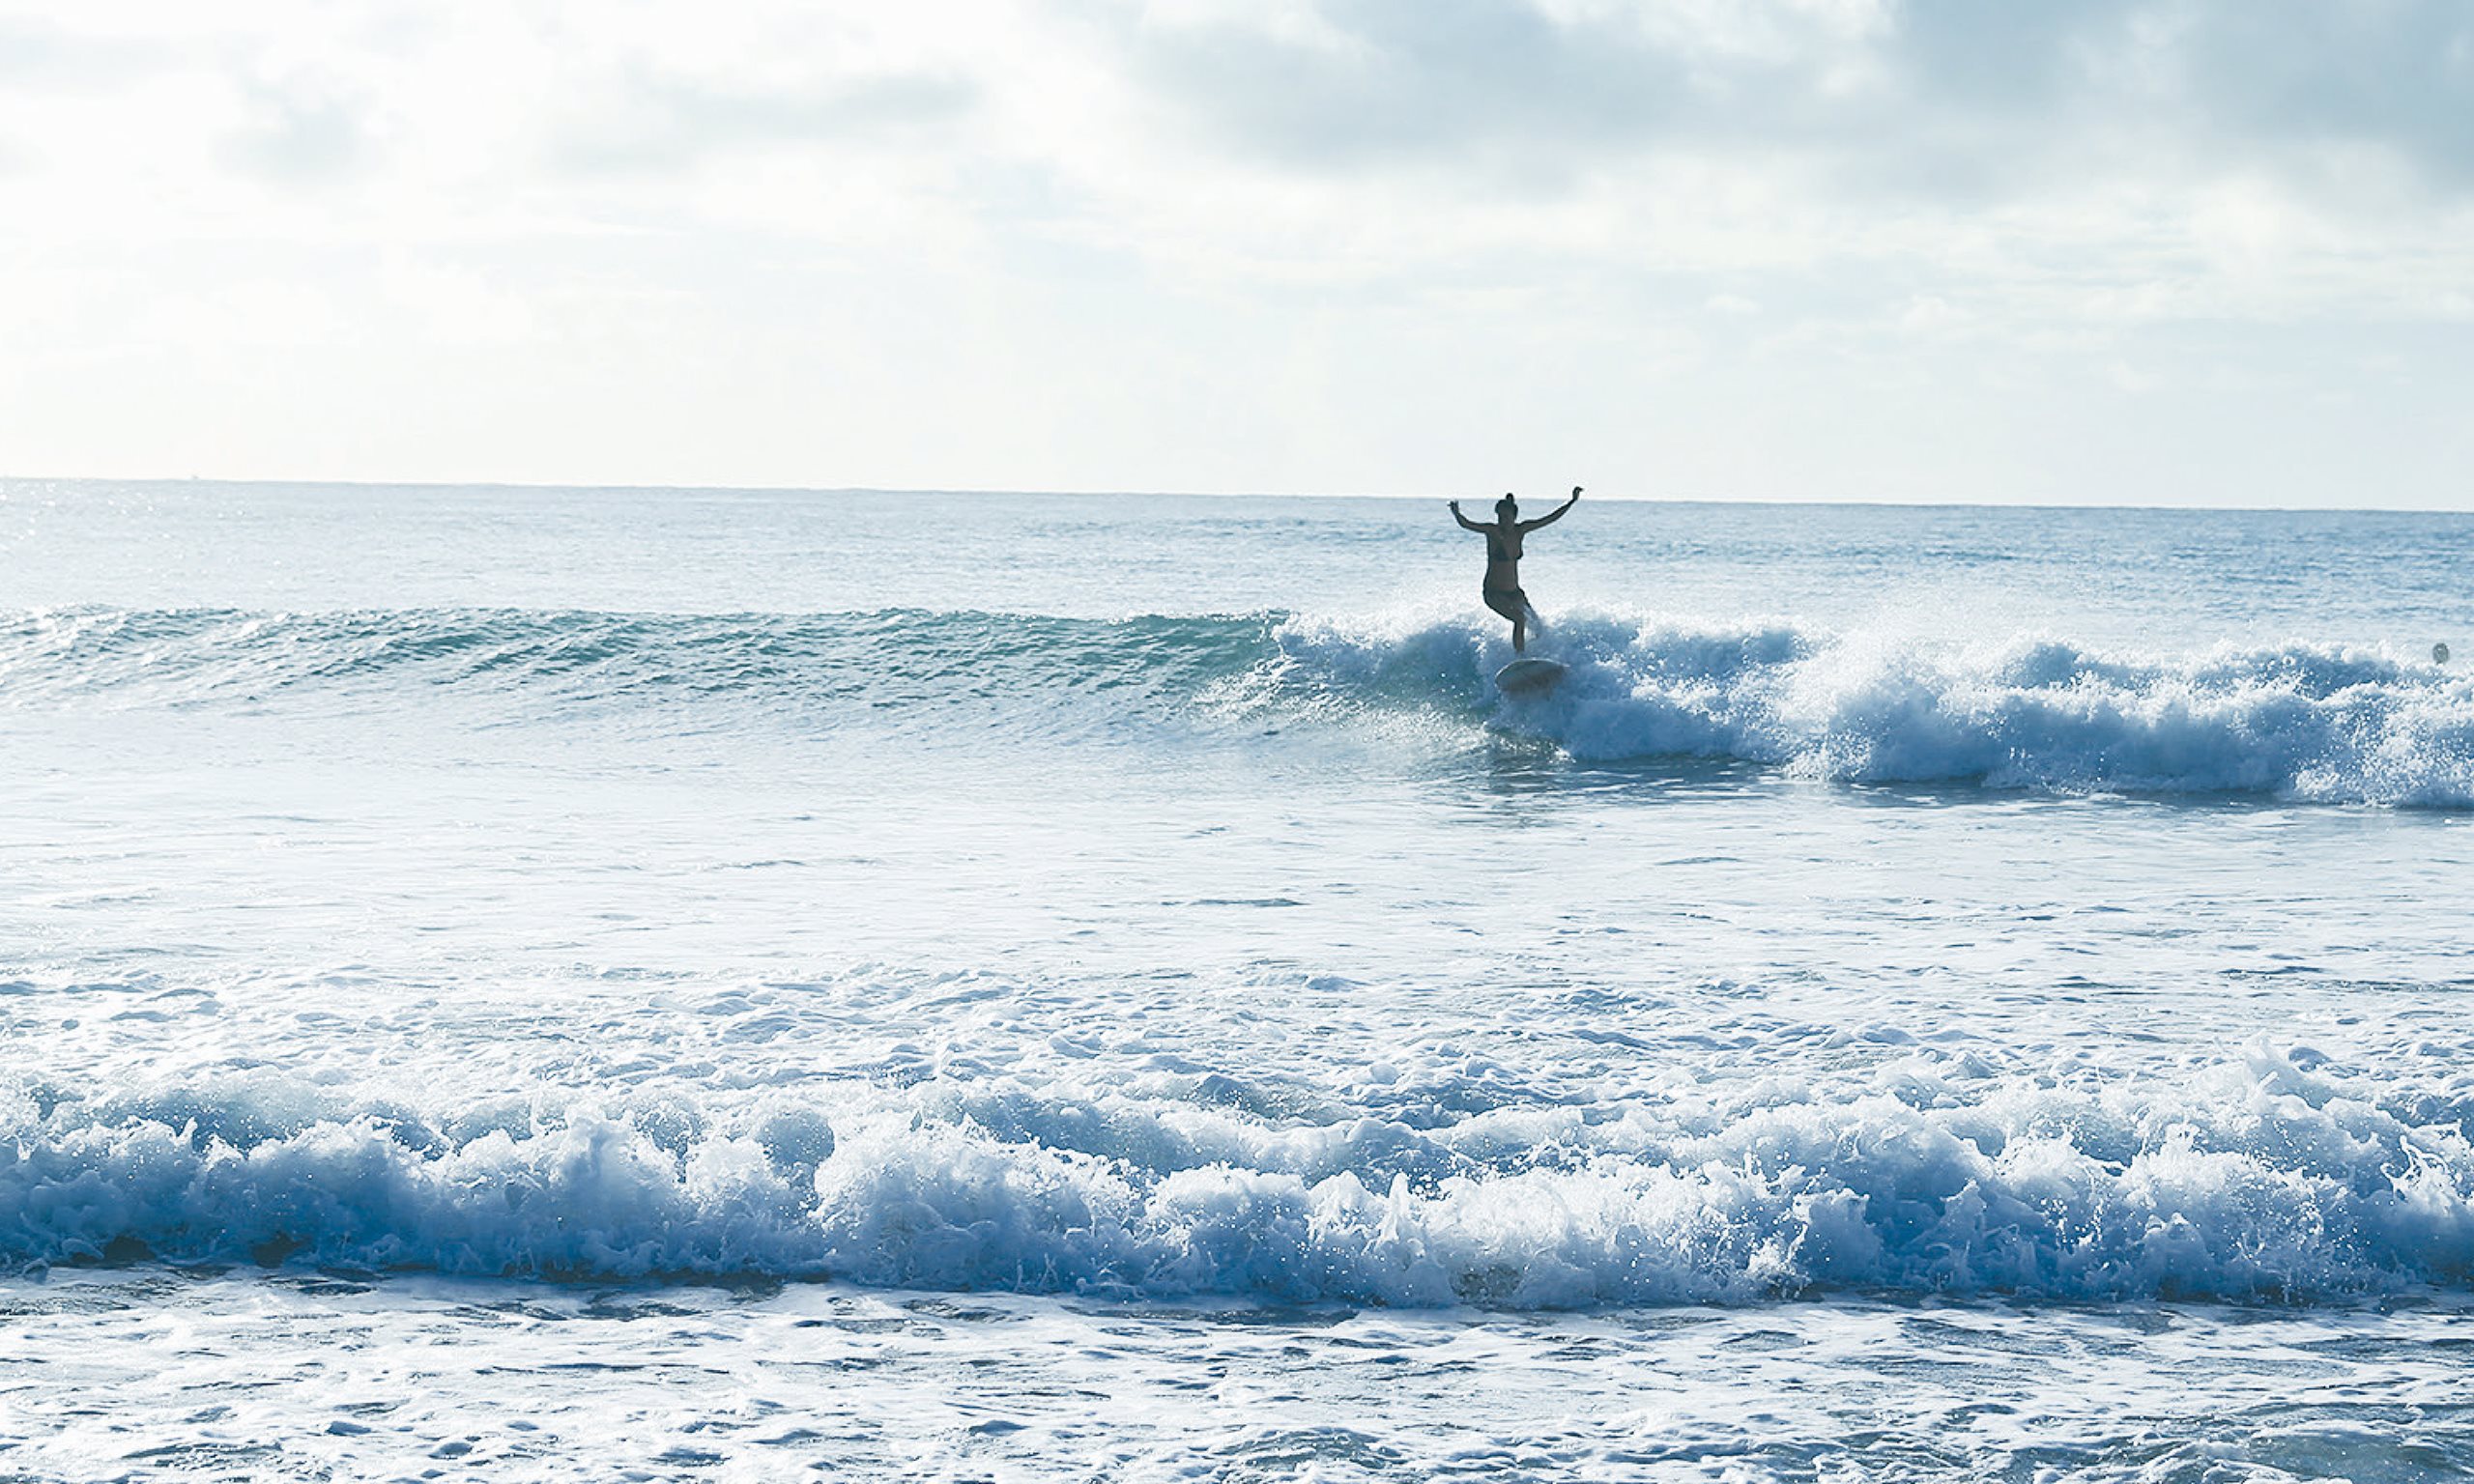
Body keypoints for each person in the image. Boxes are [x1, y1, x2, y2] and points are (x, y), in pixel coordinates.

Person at [1449, 485, 1580, 652]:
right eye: (1499, 517)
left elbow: (1549, 519)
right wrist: (1456, 513)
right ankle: (1519, 658)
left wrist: (1572, 501)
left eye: (1505, 516)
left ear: (1514, 516)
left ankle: (1540, 655)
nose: (1501, 520)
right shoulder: (1492, 531)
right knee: (1519, 619)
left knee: (1537, 626)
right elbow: (1466, 524)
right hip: (1493, 593)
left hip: (1515, 593)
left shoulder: (1521, 530)